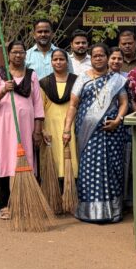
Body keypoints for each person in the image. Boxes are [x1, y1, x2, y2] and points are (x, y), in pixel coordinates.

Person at [63, 44, 129, 223]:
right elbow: (73, 105)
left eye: (102, 55)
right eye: (95, 56)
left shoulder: (117, 79)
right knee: (89, 169)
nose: (98, 58)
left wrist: (118, 120)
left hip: (112, 133)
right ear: (90, 58)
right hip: (87, 132)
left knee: (112, 169)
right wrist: (66, 129)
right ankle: (89, 212)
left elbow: (124, 103)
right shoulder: (82, 78)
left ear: (108, 57)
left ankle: (113, 212)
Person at [0, 40, 44, 218]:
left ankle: (26, 202)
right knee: (4, 163)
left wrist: (37, 130)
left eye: (21, 52)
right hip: (4, 126)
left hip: (26, 128)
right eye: (15, 52)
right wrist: (3, 90)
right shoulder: (0, 74)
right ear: (8, 54)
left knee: (27, 163)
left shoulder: (31, 75)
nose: (18, 55)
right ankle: (6, 204)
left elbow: (38, 104)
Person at [40, 49, 79, 192]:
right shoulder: (44, 83)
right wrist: (42, 129)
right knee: (53, 160)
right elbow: (39, 109)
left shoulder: (77, 81)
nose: (58, 62)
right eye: (55, 59)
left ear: (67, 62)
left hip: (71, 125)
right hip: (50, 126)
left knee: (72, 159)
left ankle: (71, 193)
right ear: (51, 62)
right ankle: (53, 194)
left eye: (61, 59)